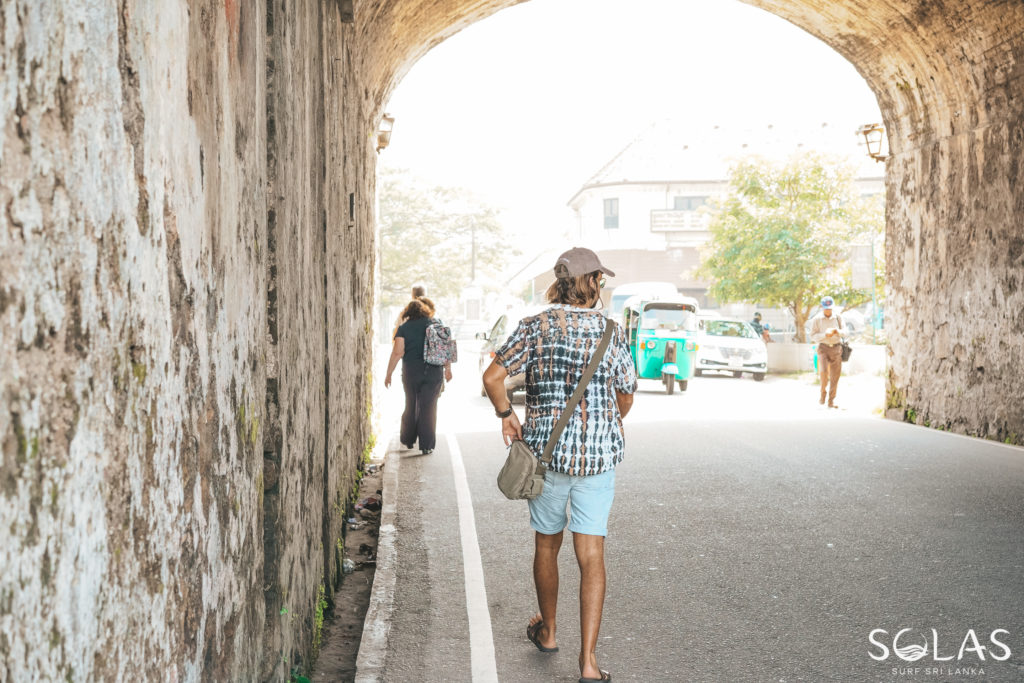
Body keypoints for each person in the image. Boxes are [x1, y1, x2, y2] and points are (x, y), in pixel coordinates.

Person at [482, 247, 637, 683]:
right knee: (591, 555)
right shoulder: (611, 332)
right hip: (597, 460)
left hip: (546, 458)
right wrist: (603, 424)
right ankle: (588, 663)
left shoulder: (534, 327)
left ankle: (548, 632)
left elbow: (493, 378)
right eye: (600, 281)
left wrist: (506, 416)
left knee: (547, 545)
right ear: (592, 283)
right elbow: (626, 393)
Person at [384, 297, 452, 454]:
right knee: (429, 408)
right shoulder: (436, 325)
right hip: (433, 372)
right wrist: (448, 369)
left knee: (411, 404)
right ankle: (426, 445)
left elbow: (397, 352)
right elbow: (445, 350)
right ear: (425, 311)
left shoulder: (404, 328)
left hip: (411, 372)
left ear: (408, 312)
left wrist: (389, 374)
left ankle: (408, 440)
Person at [809, 295, 844, 408]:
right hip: (823, 348)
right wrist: (825, 335)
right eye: (826, 308)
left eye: (830, 308)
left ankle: (831, 400)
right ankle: (822, 393)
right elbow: (812, 336)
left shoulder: (838, 318)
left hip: (836, 348)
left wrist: (836, 331)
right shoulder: (817, 319)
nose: (828, 310)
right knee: (824, 372)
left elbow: (846, 332)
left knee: (835, 376)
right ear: (822, 307)